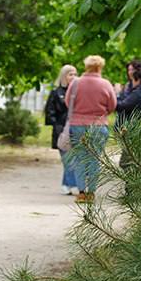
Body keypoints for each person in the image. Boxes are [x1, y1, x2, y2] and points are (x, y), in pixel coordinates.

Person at [66, 55, 117, 203]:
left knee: (81, 158)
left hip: (77, 125)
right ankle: (91, 193)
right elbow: (112, 105)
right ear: (100, 67)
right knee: (94, 159)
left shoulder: (76, 83)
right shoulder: (106, 84)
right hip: (99, 125)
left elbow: (68, 102)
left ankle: (81, 193)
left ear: (86, 66)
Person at [46, 64, 79, 195]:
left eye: (76, 74)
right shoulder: (56, 93)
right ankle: (72, 185)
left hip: (76, 129)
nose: (74, 77)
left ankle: (66, 184)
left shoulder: (79, 92)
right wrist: (57, 126)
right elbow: (49, 113)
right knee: (67, 159)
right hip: (61, 131)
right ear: (64, 76)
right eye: (71, 74)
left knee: (74, 159)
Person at [115, 58, 141, 128]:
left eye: (132, 70)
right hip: (123, 123)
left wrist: (118, 93)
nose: (130, 72)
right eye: (129, 70)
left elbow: (124, 105)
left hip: (134, 124)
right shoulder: (128, 85)